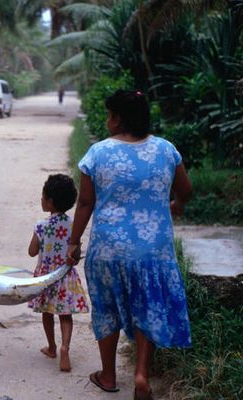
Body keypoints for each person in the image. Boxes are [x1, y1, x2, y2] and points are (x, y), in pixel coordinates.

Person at [67, 89, 192, 400]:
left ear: (118, 118)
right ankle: (140, 374)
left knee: (106, 308)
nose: (108, 120)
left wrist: (73, 242)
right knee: (148, 305)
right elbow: (186, 190)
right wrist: (174, 205)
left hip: (108, 248)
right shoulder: (165, 150)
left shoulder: (98, 153)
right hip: (154, 250)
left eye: (110, 114)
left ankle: (108, 376)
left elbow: (84, 203)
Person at [27, 174, 89, 373]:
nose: (41, 199)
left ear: (50, 202)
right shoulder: (73, 226)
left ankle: (52, 347)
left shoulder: (42, 226)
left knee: (47, 312)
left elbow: (32, 251)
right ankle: (65, 347)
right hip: (65, 277)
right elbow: (76, 253)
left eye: (43, 197)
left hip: (46, 278)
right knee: (65, 314)